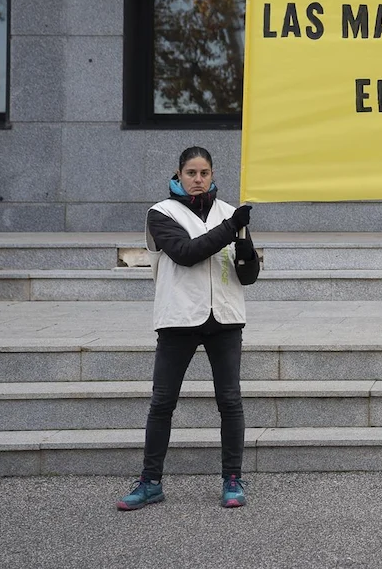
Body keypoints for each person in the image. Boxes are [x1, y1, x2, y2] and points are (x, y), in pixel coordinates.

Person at [117, 146, 260, 511]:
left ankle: (232, 479)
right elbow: (185, 252)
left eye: (204, 173)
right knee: (163, 403)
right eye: (191, 173)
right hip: (179, 318)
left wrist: (246, 252)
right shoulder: (160, 213)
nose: (198, 180)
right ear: (178, 175)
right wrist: (232, 229)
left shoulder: (230, 213)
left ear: (213, 175)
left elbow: (248, 276)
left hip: (225, 318)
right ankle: (150, 482)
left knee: (230, 402)